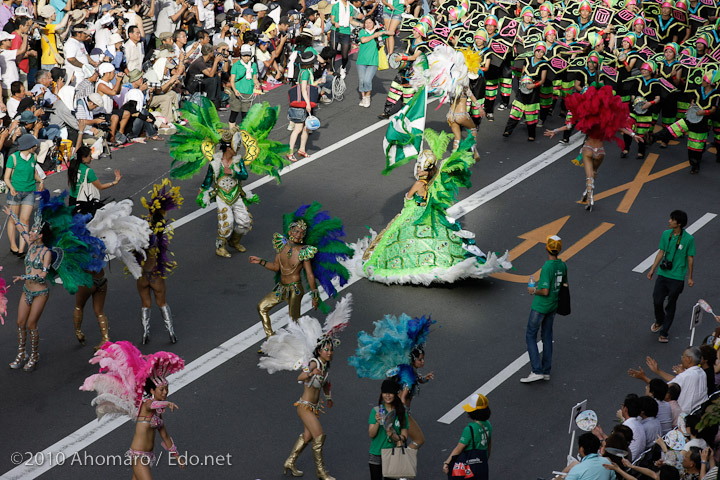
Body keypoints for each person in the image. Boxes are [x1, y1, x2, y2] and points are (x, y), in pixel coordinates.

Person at [258, 296, 353, 480]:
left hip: (314, 407)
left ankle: (290, 461)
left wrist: (329, 397)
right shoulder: (312, 363)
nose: (330, 352)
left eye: (331, 350)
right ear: (319, 351)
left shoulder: (324, 367)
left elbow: (325, 384)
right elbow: (300, 376)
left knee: (308, 436)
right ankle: (321, 472)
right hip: (304, 406)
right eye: (327, 350)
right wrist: (311, 373)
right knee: (319, 436)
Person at [80, 342, 186, 480]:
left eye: (166, 389)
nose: (165, 392)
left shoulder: (158, 413)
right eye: (162, 389)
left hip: (147, 457)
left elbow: (165, 435)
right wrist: (167, 403)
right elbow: (153, 404)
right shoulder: (147, 404)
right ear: (152, 391)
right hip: (138, 456)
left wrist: (177, 457)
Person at [250, 218, 320, 339]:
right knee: (261, 307)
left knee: (294, 322)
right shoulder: (281, 246)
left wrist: (315, 295)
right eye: (296, 231)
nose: (298, 235)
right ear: (290, 232)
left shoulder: (303, 251)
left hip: (295, 289)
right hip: (281, 288)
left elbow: (309, 275)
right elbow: (276, 267)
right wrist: (260, 261)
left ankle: (299, 346)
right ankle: (271, 340)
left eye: (301, 233)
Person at [4, 205, 52, 371]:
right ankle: (21, 353)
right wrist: (12, 215)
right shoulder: (30, 245)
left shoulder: (47, 253)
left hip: (40, 293)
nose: (29, 233)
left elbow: (43, 275)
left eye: (33, 231)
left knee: (31, 324)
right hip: (27, 291)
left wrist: (23, 277)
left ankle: (34, 355)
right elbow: (19, 227)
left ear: (40, 236)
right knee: (20, 322)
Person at [137, 180, 183, 345]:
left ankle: (145, 334)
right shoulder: (158, 235)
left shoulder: (141, 236)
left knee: (145, 305)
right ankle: (171, 333)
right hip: (156, 276)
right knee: (162, 303)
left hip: (143, 276)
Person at [197, 131, 252, 258]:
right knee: (227, 223)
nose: (238, 149)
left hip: (236, 195)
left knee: (245, 222)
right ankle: (220, 247)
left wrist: (233, 172)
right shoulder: (215, 162)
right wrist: (202, 189)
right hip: (221, 196)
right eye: (236, 146)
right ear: (229, 148)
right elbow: (208, 178)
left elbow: (245, 175)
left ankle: (234, 241)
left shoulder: (238, 161)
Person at [521, 235, 568, 383]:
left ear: (547, 248)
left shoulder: (547, 267)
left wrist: (534, 290)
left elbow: (545, 290)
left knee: (530, 335)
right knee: (547, 336)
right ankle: (546, 370)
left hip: (541, 305)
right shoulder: (562, 266)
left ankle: (536, 370)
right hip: (553, 305)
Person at [647, 210, 695, 342]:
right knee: (657, 300)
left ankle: (664, 332)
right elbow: (661, 252)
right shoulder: (665, 234)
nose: (669, 221)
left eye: (672, 219)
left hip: (677, 277)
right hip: (663, 273)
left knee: (671, 304)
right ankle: (659, 320)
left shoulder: (689, 239)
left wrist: (690, 277)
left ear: (678, 223)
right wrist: (652, 269)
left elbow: (690, 259)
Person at [4, 134, 44, 256]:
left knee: (25, 220)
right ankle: (13, 246)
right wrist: (11, 188)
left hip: (30, 191)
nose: (36, 146)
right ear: (28, 146)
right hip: (15, 192)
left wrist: (41, 181)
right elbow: (6, 177)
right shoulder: (13, 158)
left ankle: (22, 249)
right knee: (13, 219)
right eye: (34, 145)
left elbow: (34, 173)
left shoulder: (33, 157)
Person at [442, 393, 491, 478]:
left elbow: (458, 449)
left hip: (469, 466)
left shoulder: (470, 429)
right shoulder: (488, 425)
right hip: (482, 464)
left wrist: (447, 463)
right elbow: (489, 445)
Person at [369, 380, 409, 480]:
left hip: (393, 453)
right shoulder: (376, 411)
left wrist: (393, 435)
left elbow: (404, 437)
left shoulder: (401, 413)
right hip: (376, 453)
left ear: (395, 394)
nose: (387, 396)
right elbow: (371, 434)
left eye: (390, 393)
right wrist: (378, 422)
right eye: (385, 393)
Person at [286, 50, 316, 162]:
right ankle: (290, 152)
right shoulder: (306, 73)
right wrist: (308, 103)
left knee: (305, 128)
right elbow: (303, 89)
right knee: (298, 128)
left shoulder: (302, 71)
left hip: (300, 103)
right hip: (302, 104)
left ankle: (302, 149)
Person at [228, 44, 260, 128]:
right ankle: (231, 132)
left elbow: (254, 78)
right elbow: (232, 80)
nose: (246, 58)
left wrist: (256, 83)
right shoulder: (236, 65)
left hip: (248, 92)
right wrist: (234, 90)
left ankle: (244, 133)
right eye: (244, 56)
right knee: (234, 113)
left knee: (245, 115)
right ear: (241, 55)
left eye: (248, 56)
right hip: (237, 92)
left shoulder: (253, 65)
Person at [357, 17, 384, 108]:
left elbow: (391, 33)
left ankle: (368, 96)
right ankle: (363, 97)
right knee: (361, 80)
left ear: (374, 23)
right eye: (366, 23)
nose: (368, 25)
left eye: (370, 23)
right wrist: (374, 34)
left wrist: (382, 30)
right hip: (361, 61)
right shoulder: (362, 32)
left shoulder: (378, 33)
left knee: (367, 80)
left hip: (373, 62)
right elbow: (363, 40)